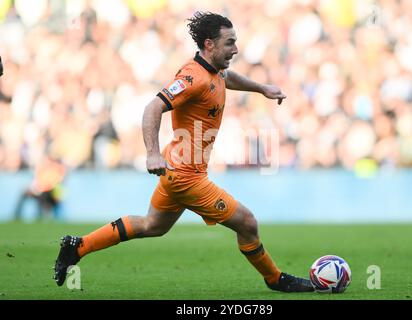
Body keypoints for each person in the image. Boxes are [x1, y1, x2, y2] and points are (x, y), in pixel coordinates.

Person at [54, 12, 313, 293]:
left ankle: (77, 246)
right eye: (230, 43)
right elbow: (152, 107)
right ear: (209, 44)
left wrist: (261, 88)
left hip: (179, 170)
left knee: (152, 225)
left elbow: (227, 77)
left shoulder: (214, 70)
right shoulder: (192, 77)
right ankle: (275, 279)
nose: (236, 49)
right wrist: (151, 153)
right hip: (185, 176)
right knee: (248, 223)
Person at [15, 155, 66, 221]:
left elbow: (56, 183)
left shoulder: (56, 169)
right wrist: (33, 189)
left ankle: (42, 216)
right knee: (24, 193)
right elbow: (37, 182)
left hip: (49, 192)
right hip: (40, 190)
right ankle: (18, 216)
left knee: (44, 197)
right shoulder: (41, 169)